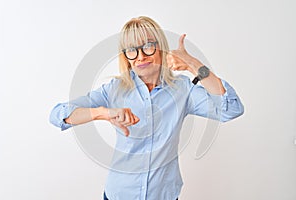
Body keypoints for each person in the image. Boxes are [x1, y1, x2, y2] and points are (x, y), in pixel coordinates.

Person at [49, 16, 244, 200]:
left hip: (164, 194)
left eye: (148, 46)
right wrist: (103, 113)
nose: (140, 56)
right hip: (120, 194)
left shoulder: (183, 90)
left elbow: (231, 109)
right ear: (126, 56)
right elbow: (59, 114)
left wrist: (194, 65)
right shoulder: (114, 90)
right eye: (132, 49)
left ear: (161, 48)